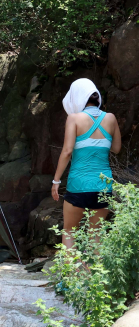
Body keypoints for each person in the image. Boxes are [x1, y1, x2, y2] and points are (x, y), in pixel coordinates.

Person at [53, 78, 121, 249]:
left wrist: (56, 181)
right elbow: (116, 148)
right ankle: (95, 275)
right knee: (96, 234)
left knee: (69, 232)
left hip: (79, 185)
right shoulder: (111, 118)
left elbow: (67, 151)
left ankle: (71, 275)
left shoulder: (74, 118)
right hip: (103, 185)